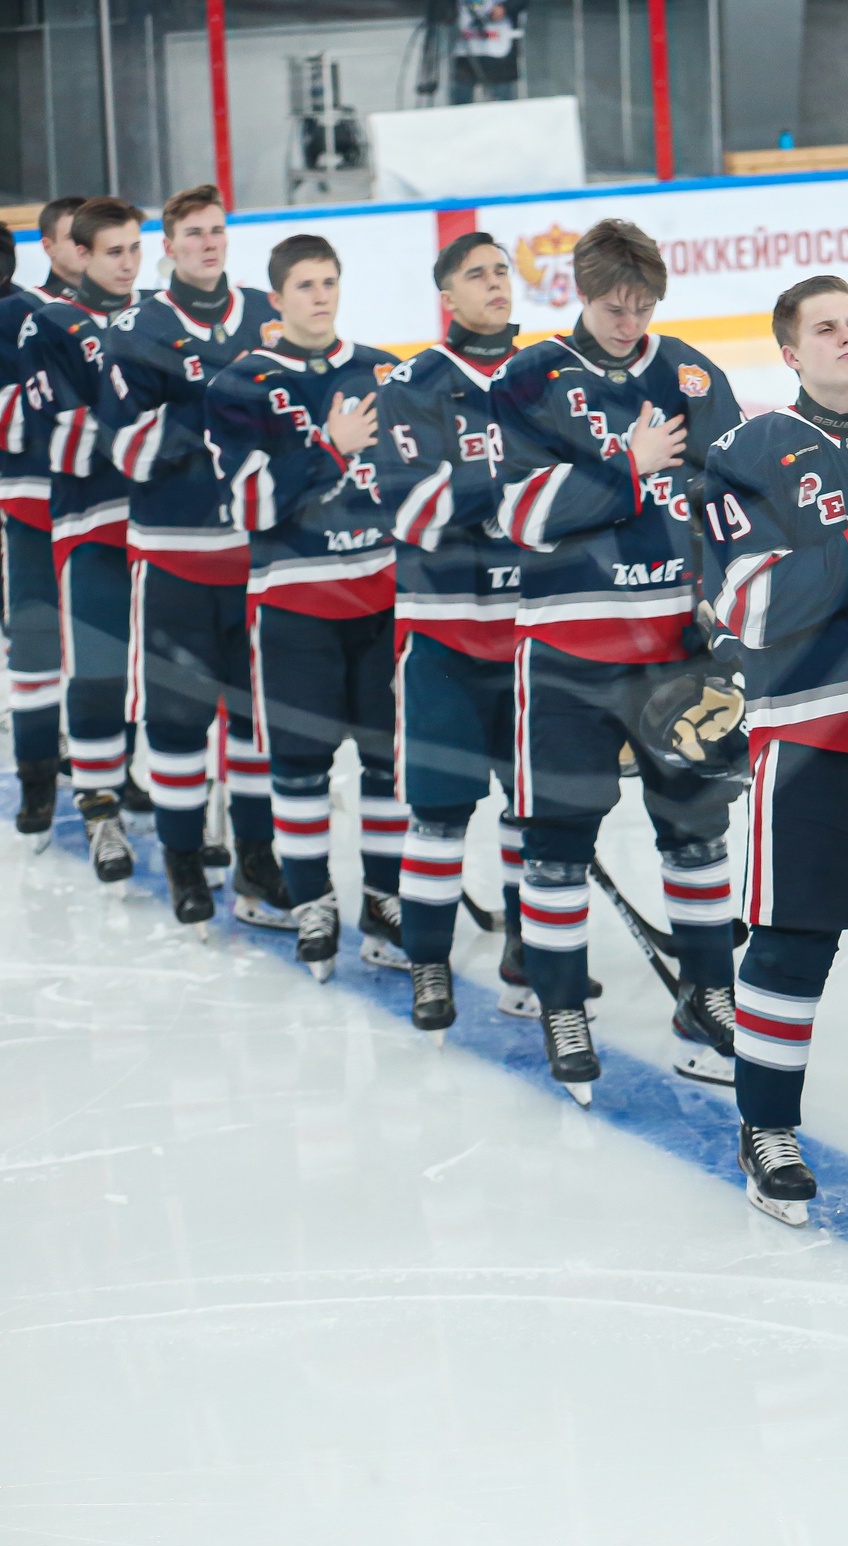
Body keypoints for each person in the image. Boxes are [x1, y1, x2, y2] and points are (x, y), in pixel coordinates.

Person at [490, 219, 745, 1099]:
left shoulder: (693, 376)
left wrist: (725, 601)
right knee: (557, 841)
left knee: (696, 831)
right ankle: (561, 1002)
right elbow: (521, 516)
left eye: (643, 304)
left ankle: (707, 996)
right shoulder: (530, 377)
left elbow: (733, 508)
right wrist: (628, 469)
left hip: (676, 652)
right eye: (613, 305)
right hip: (567, 651)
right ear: (580, 293)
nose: (629, 320)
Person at [700, 277, 848, 1223]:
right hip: (809, 739)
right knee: (792, 944)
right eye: (825, 328)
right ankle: (766, 1125)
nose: (847, 338)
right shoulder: (747, 454)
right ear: (790, 353)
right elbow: (752, 605)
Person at [205, 234, 405, 976]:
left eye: (329, 282)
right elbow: (249, 505)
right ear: (277, 298)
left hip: (381, 599)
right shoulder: (240, 385)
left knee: (388, 761)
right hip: (294, 601)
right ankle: (312, 897)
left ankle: (384, 898)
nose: (320, 297)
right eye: (305, 286)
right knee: (298, 764)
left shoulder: (381, 371)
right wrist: (330, 448)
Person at [95, 184, 286, 934]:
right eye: (193, 234)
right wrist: (209, 407)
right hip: (174, 558)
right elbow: (129, 453)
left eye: (216, 231)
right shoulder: (137, 329)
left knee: (255, 722)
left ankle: (257, 857)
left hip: (256, 560)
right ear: (168, 247)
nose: (208, 243)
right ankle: (182, 859)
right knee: (176, 723)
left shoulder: (266, 315)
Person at [371, 230, 542, 1029]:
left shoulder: (548, 373)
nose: (495, 282)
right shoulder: (413, 384)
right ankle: (429, 962)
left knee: (530, 812)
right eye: (477, 274)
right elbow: (414, 510)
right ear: (448, 297)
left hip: (536, 634)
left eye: (502, 270)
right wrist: (517, 481)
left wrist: (477, 484)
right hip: (444, 636)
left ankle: (526, 951)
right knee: (439, 815)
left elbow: (583, 491)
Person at [23, 196, 147, 883]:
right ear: (81, 254)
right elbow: (63, 445)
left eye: (135, 249)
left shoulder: (159, 317)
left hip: (166, 527)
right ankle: (99, 807)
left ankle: (141, 785)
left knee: (163, 678)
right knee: (98, 669)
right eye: (113, 251)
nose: (127, 264)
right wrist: (148, 431)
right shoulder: (50, 324)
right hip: (92, 520)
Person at [0, 198, 85, 844]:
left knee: (105, 643)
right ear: (48, 247)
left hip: (101, 507)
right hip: (31, 501)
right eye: (72, 239)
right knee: (34, 639)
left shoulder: (130, 316)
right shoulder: (17, 316)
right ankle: (36, 774)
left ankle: (105, 770)